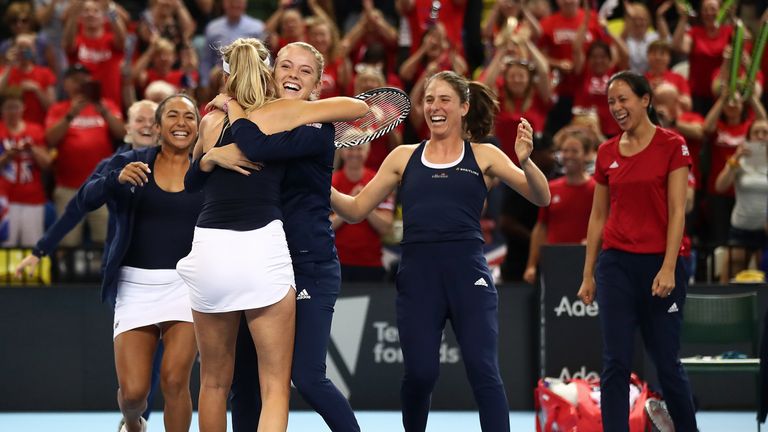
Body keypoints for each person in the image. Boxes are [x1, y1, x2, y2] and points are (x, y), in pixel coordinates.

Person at [329, 70, 550, 431]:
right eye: (429, 99)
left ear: (463, 107)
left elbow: (542, 196)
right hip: (418, 279)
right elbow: (354, 210)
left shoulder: (484, 155)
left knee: (483, 371)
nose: (435, 106)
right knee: (420, 375)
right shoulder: (402, 156)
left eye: (444, 99)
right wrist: (320, 182)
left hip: (469, 276)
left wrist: (526, 160)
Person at [176, 38, 367, 432]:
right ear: (269, 72)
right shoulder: (271, 114)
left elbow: (250, 147)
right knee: (249, 385)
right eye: (286, 66)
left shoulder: (306, 126)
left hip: (305, 260)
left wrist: (231, 110)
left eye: (305, 70)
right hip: (265, 257)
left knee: (305, 379)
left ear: (317, 85)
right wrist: (215, 152)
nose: (293, 75)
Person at [16, 99, 165, 427]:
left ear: (160, 127)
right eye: (139, 119)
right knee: (143, 353)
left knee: (164, 359)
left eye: (152, 119)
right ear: (126, 127)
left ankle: (138, 420)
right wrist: (41, 249)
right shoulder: (111, 165)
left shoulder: (181, 163)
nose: (146, 124)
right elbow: (76, 208)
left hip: (174, 274)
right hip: (126, 274)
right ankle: (136, 418)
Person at [577, 71, 697, 432]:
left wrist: (668, 267)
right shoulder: (606, 151)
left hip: (663, 264)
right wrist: (588, 274)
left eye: (623, 99)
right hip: (616, 265)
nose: (616, 107)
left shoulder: (673, 145)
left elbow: (677, 211)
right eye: (611, 101)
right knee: (615, 362)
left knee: (665, 363)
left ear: (645, 100)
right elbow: (598, 216)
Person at [78, 94, 202, 432]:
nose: (181, 123)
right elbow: (84, 199)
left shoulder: (207, 169)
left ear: (198, 125)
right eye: (172, 116)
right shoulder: (130, 161)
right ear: (158, 127)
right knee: (133, 394)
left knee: (176, 381)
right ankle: (133, 423)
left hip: (187, 287)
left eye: (189, 117)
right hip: (135, 286)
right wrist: (113, 180)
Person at [523, 129, 595, 284]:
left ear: (587, 154)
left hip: (586, 262)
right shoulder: (551, 188)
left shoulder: (596, 189)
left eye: (574, 151)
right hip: (554, 262)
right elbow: (541, 227)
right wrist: (531, 265)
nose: (568, 155)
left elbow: (604, 222)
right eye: (565, 150)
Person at [713, 119, 768, 281]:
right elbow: (720, 186)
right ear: (749, 137)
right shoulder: (739, 161)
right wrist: (735, 158)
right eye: (756, 133)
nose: (760, 136)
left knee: (764, 286)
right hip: (741, 229)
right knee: (728, 282)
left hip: (765, 232)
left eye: (765, 133)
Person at [331, 143, 394, 282]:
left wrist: (364, 204)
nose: (355, 153)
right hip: (335, 263)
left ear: (367, 153)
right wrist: (350, 203)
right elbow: (321, 226)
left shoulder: (378, 182)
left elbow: (386, 227)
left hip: (370, 264)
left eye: (359, 149)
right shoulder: (330, 183)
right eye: (350, 148)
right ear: (342, 152)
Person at [0, 87, 52, 247]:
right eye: (9, 107)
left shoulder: (35, 130)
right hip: (4, 199)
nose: (13, 111)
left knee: (32, 245)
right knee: (6, 246)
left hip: (32, 197)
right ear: (2, 109)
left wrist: (33, 149)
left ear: (23, 107)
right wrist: (7, 157)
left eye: (16, 106)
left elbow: (47, 163)